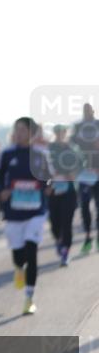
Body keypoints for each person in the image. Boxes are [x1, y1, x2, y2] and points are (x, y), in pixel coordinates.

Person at [0, 117, 52, 315]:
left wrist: (47, 188)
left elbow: (48, 179)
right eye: (16, 129)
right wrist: (2, 190)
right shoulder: (7, 154)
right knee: (19, 257)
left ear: (31, 133)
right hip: (13, 213)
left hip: (36, 212)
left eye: (23, 130)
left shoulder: (39, 155)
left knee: (31, 251)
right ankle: (19, 268)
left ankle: (29, 297)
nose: (18, 133)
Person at [47, 124, 81, 267]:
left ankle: (65, 252)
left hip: (69, 190)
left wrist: (74, 173)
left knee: (66, 222)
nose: (60, 134)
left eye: (62, 132)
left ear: (66, 133)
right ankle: (58, 240)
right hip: (53, 190)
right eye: (57, 132)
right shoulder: (49, 149)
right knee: (55, 223)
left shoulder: (72, 148)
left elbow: (80, 164)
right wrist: (47, 183)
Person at [72, 103, 99, 255]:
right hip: (84, 173)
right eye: (84, 110)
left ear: (93, 111)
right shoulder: (77, 127)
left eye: (89, 109)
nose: (87, 112)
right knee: (85, 206)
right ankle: (88, 237)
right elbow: (71, 147)